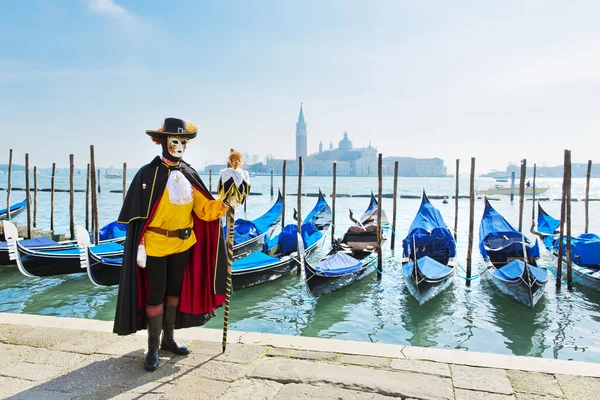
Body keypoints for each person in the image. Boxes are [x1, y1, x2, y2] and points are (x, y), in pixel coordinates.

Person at [113, 117, 229, 372]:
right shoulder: (147, 173)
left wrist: (225, 200)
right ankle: (153, 347)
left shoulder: (189, 173)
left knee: (174, 291)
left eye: (183, 142)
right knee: (156, 294)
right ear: (162, 142)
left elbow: (204, 210)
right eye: (175, 141)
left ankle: (168, 339)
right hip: (154, 243)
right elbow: (137, 216)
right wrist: (140, 243)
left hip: (184, 243)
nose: (179, 146)